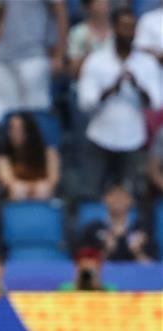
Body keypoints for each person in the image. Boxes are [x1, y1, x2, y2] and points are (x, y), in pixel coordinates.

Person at [77, 8, 161, 199]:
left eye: (132, 28)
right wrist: (110, 90)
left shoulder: (146, 63)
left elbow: (156, 102)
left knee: (133, 197)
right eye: (124, 27)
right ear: (114, 28)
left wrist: (138, 87)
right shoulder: (96, 61)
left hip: (133, 139)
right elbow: (85, 103)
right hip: (100, 137)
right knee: (91, 195)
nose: (128, 33)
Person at [0, 0, 68, 113]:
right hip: (2, 58)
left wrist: (59, 54)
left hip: (34, 54)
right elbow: (0, 17)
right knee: (4, 113)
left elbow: (61, 11)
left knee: (36, 114)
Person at [80, 184, 152, 262]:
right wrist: (106, 251)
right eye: (113, 195)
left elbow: (155, 269)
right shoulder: (92, 229)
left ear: (131, 201)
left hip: (135, 274)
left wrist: (137, 251)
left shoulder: (142, 228)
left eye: (122, 196)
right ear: (104, 199)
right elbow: (85, 269)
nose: (117, 199)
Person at [0, 112, 60, 200]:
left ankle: (40, 213)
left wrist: (33, 188)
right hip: (17, 193)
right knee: (18, 189)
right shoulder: (3, 155)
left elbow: (53, 179)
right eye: (12, 128)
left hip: (42, 193)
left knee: (43, 188)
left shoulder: (49, 152)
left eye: (20, 128)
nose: (15, 133)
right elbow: (7, 180)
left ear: (29, 130)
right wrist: (29, 188)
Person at [67, 0, 113, 78]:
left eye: (105, 3)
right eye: (98, 4)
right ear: (88, 7)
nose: (103, 7)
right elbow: (73, 69)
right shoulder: (78, 32)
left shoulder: (118, 33)